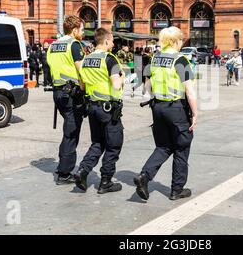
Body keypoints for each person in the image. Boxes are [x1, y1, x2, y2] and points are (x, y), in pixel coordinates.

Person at [133, 26, 197, 201]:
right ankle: (177, 189)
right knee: (181, 148)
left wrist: (156, 97)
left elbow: (147, 84)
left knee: (163, 146)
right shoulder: (180, 60)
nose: (181, 43)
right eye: (181, 40)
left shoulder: (154, 59)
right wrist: (195, 113)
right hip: (176, 108)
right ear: (176, 41)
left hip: (158, 107)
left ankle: (144, 176)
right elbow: (189, 91)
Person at [74, 28, 125, 194]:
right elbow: (116, 85)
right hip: (108, 109)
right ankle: (106, 181)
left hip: (92, 107)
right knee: (113, 144)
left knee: (98, 143)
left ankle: (82, 171)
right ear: (105, 42)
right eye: (111, 41)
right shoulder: (110, 59)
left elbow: (82, 84)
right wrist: (123, 76)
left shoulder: (87, 59)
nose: (113, 44)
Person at [47, 15, 86, 185]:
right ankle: (64, 173)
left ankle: (63, 164)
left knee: (68, 129)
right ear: (75, 30)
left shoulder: (53, 45)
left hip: (58, 93)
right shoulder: (74, 45)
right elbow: (82, 70)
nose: (83, 33)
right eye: (82, 29)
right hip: (72, 94)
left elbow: (49, 66)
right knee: (72, 132)